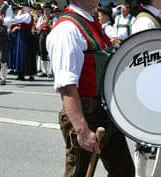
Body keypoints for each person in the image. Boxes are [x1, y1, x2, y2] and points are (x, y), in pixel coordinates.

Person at [46, 1, 135, 177]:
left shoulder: (91, 23)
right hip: (86, 113)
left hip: (105, 112)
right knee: (78, 174)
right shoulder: (67, 29)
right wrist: (82, 130)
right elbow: (67, 86)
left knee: (123, 171)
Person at [132, 1, 161, 177]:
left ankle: (159, 172)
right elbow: (142, 56)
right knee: (145, 137)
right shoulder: (144, 21)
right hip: (150, 84)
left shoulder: (156, 17)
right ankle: (140, 175)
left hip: (160, 81)